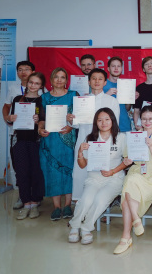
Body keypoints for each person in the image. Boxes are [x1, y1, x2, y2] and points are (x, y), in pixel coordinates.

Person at [114, 105, 152, 254]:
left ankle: (127, 235)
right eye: (144, 119)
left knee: (129, 186)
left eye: (150, 119)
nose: (147, 122)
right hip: (137, 171)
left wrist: (151, 146)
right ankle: (130, 228)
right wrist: (127, 160)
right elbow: (127, 158)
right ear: (140, 120)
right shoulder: (134, 136)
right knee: (131, 182)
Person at [69, 108, 127, 245]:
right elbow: (82, 165)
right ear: (96, 122)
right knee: (85, 200)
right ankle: (75, 226)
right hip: (94, 178)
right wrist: (80, 152)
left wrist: (113, 171)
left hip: (114, 178)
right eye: (100, 120)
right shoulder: (90, 138)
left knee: (100, 200)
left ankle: (86, 228)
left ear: (112, 121)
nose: (103, 123)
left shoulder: (121, 137)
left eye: (107, 119)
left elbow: (127, 160)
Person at [67, 68, 120, 201]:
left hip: (103, 142)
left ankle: (99, 204)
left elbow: (115, 124)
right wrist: (71, 120)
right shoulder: (81, 100)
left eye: (100, 79)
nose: (97, 81)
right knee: (80, 173)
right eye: (93, 78)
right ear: (89, 82)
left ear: (105, 82)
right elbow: (76, 125)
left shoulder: (111, 101)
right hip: (84, 139)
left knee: (99, 173)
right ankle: (79, 203)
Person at [38, 67, 78, 221]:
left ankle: (68, 205)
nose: (59, 80)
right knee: (52, 171)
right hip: (50, 139)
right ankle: (56, 207)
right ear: (51, 79)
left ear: (66, 80)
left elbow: (80, 116)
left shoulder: (73, 95)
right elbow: (41, 118)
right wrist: (40, 129)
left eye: (62, 77)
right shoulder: (44, 97)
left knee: (69, 170)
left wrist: (71, 126)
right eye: (56, 77)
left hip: (68, 138)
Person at [2, 60, 43, 210]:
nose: (33, 85)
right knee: (21, 169)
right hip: (18, 137)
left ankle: (36, 199)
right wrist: (9, 118)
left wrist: (40, 121)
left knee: (36, 169)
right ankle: (24, 199)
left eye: (36, 83)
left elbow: (45, 118)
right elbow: (8, 111)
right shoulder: (15, 95)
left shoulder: (43, 98)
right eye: (20, 69)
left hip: (36, 138)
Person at [132, 56, 152, 130]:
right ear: (143, 69)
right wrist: (136, 124)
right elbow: (136, 110)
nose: (149, 65)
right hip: (145, 127)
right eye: (146, 64)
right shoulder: (139, 88)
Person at [102, 57, 133, 132]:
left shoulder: (126, 84)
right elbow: (97, 106)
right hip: (107, 127)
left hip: (124, 125)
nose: (116, 68)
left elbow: (127, 108)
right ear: (108, 69)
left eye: (118, 66)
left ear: (121, 69)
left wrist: (130, 99)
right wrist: (107, 95)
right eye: (113, 66)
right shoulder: (102, 84)